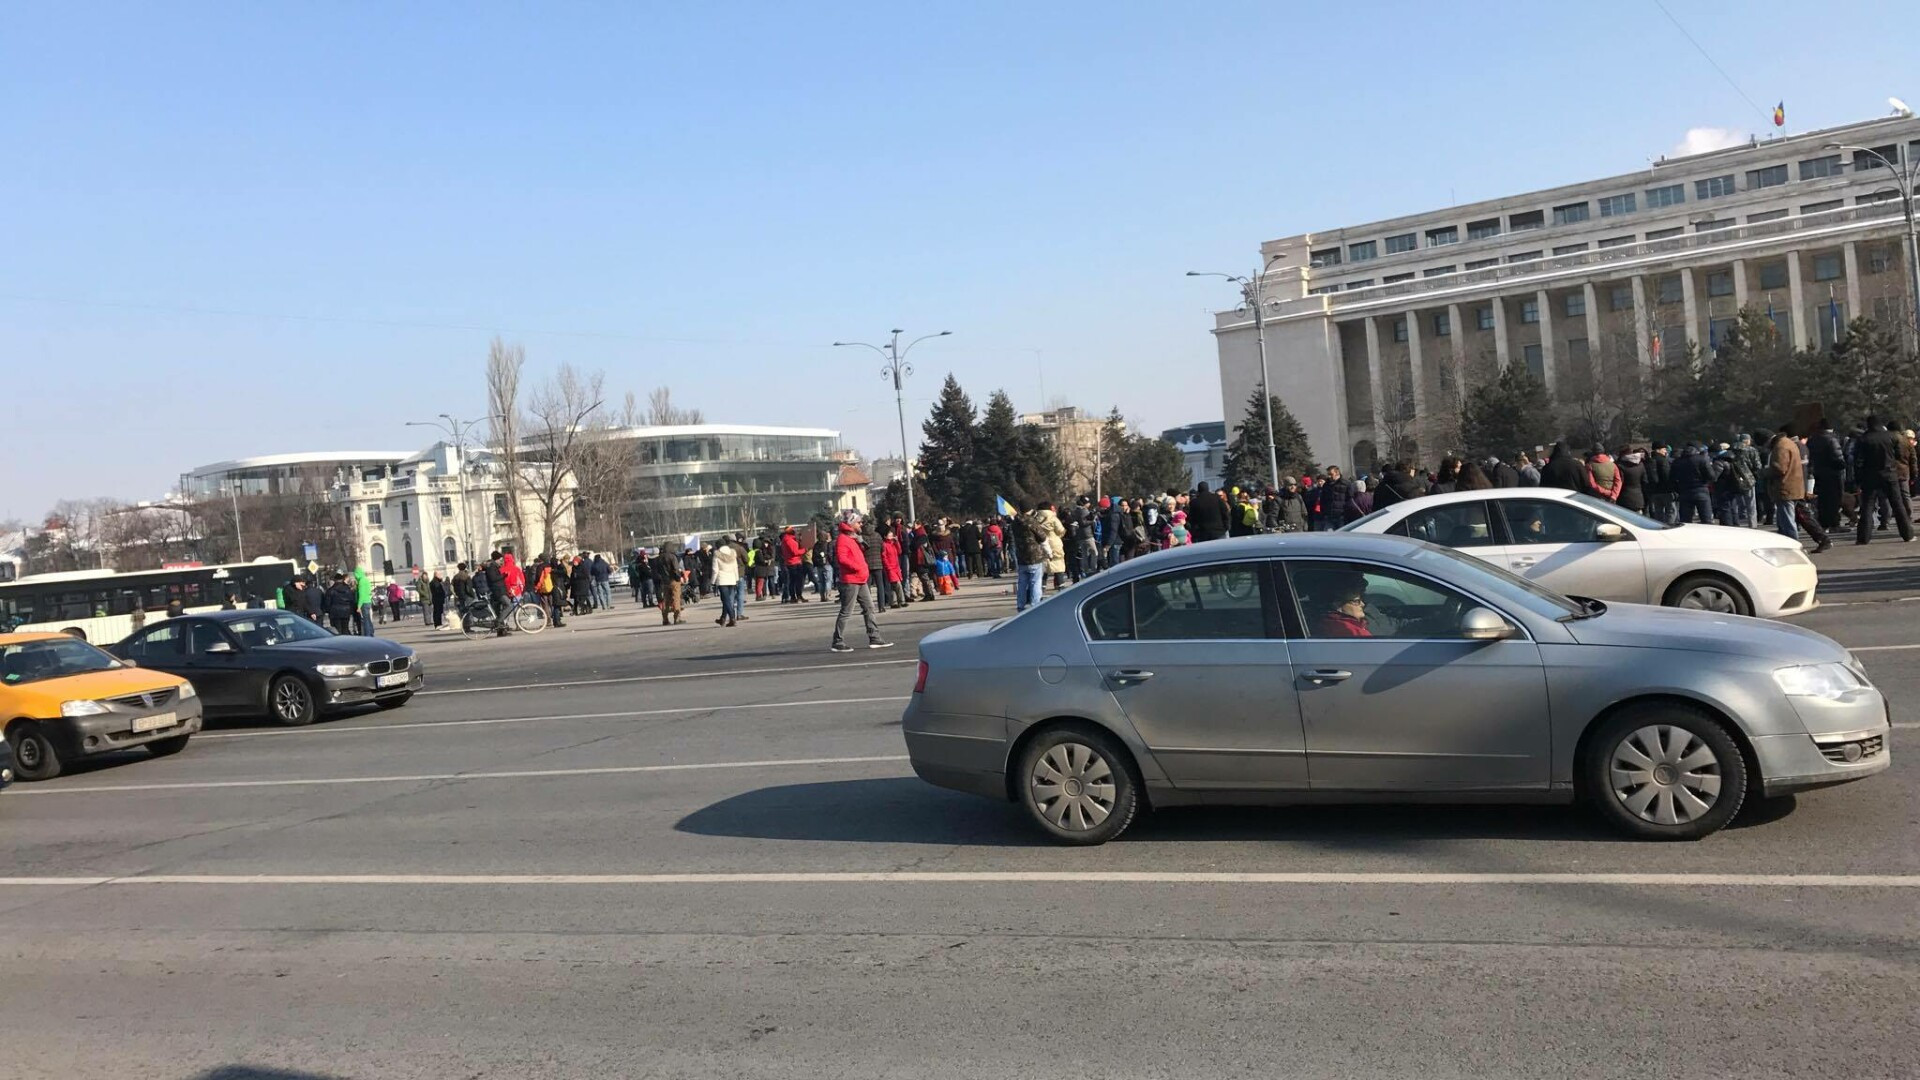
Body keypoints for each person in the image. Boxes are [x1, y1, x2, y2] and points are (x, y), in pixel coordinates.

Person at [829, 511, 890, 653]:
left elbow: (863, 550)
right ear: (851, 523)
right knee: (846, 611)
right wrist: (857, 568)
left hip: (860, 579)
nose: (861, 524)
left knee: (869, 608)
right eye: (858, 522)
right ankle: (837, 640)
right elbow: (842, 559)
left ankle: (875, 638)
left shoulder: (853, 538)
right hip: (851, 580)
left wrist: (860, 540)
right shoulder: (843, 539)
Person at [1767, 424, 1830, 552]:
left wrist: (1765, 472)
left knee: (1799, 517)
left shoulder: (1784, 446)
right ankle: (1822, 539)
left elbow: (1782, 468)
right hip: (1799, 485)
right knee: (1800, 516)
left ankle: (1819, 540)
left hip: (1792, 486)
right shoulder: (1799, 446)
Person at [1854, 419, 1916, 545]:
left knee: (1867, 507)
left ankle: (1863, 538)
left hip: (1870, 476)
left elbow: (1858, 461)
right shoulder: (1891, 436)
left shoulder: (1863, 439)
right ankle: (1907, 534)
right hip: (1890, 474)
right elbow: (1899, 455)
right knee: (1898, 505)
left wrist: (1859, 479)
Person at [1808, 419, 1848, 530]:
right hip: (1833, 474)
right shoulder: (1831, 440)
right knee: (1834, 500)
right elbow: (1838, 458)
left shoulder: (1812, 440)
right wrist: (1843, 466)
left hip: (1819, 473)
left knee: (1822, 500)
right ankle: (1834, 523)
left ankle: (1823, 523)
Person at [1307, 572, 1372, 638]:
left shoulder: (1325, 622)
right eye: (1356, 601)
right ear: (1337, 604)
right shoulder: (1348, 631)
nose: (1362, 604)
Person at [1670, 443, 1719, 524]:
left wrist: (1678, 489)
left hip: (1684, 491)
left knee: (1685, 521)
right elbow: (1712, 476)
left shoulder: (1677, 461)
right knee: (1706, 519)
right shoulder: (1702, 459)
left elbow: (1672, 479)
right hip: (1701, 489)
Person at [1013, 503, 1050, 611]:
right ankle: (1035, 605)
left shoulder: (1015, 523)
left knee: (1022, 582)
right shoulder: (1031, 521)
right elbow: (1042, 537)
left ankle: (1020, 605)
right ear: (1029, 509)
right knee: (1035, 582)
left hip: (1021, 556)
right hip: (1035, 555)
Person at [711, 533, 743, 626]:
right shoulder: (733, 553)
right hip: (732, 579)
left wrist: (713, 581)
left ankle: (732, 618)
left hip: (722, 580)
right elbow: (735, 567)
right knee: (728, 599)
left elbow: (715, 570)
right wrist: (736, 578)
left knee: (725, 600)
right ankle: (723, 618)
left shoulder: (717, 555)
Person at [652, 546, 684, 624]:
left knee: (666, 600)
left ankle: (665, 619)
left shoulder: (659, 558)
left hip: (665, 581)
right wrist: (679, 578)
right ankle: (677, 618)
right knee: (676, 599)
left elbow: (658, 571)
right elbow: (676, 569)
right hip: (674, 581)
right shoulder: (672, 557)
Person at [1614, 449, 1646, 513]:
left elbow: (1620, 481)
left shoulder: (1620, 466)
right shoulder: (1641, 465)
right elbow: (1644, 480)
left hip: (1623, 498)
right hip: (1638, 498)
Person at [352, 564, 374, 636]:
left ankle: (367, 634)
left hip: (363, 603)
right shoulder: (366, 579)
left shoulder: (361, 581)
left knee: (365, 620)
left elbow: (361, 595)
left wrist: (358, 606)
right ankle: (371, 632)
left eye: (355, 574)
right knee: (368, 619)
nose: (355, 576)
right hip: (368, 601)